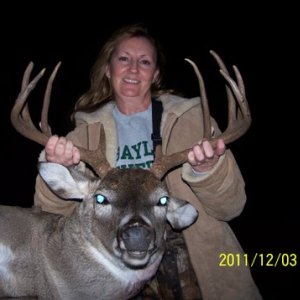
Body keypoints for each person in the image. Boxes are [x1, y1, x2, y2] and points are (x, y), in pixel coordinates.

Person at [34, 24, 262, 299]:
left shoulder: (194, 125)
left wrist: (207, 171)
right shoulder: (82, 137)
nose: (133, 69)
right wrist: (60, 167)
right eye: (123, 59)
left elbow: (232, 207)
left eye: (144, 62)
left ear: (155, 74)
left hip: (193, 267)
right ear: (108, 69)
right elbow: (48, 216)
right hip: (111, 269)